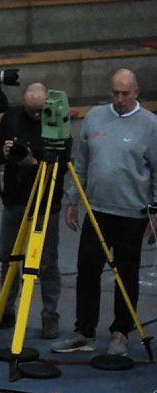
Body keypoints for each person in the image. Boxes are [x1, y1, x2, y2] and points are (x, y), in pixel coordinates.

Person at [51, 69, 157, 356]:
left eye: (125, 93)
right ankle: (84, 332)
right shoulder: (95, 117)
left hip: (132, 214)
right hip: (97, 211)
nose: (120, 98)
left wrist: (154, 212)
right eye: (115, 93)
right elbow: (81, 162)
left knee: (126, 274)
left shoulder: (150, 125)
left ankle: (121, 332)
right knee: (87, 271)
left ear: (136, 92)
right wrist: (72, 199)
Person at [0, 83, 62, 339]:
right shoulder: (11, 117)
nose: (36, 116)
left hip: (45, 203)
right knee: (8, 260)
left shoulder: (57, 120)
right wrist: (7, 153)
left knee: (47, 263)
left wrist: (34, 163)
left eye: (40, 111)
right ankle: (5, 312)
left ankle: (49, 316)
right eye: (31, 111)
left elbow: (63, 165)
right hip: (14, 200)